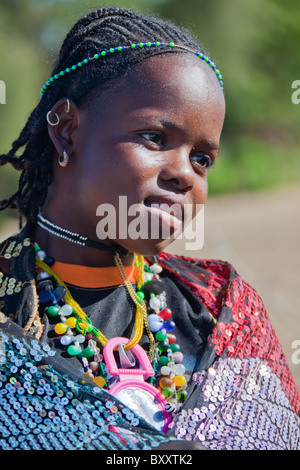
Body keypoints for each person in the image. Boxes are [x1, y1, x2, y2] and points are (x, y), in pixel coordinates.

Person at [0, 7, 299, 451]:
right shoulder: (11, 318)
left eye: (202, 159)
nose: (184, 174)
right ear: (65, 131)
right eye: (155, 138)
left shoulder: (221, 314)